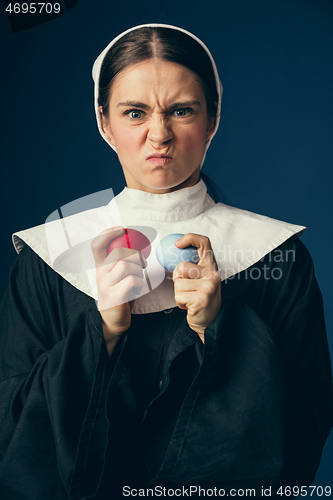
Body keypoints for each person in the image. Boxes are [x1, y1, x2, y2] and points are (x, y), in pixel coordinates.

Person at [0, 24, 332, 500]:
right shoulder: (48, 258)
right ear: (104, 123)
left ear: (212, 120)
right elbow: (11, 436)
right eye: (135, 112)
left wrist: (220, 328)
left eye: (181, 110)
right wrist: (103, 333)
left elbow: (305, 430)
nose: (159, 135)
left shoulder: (277, 256)